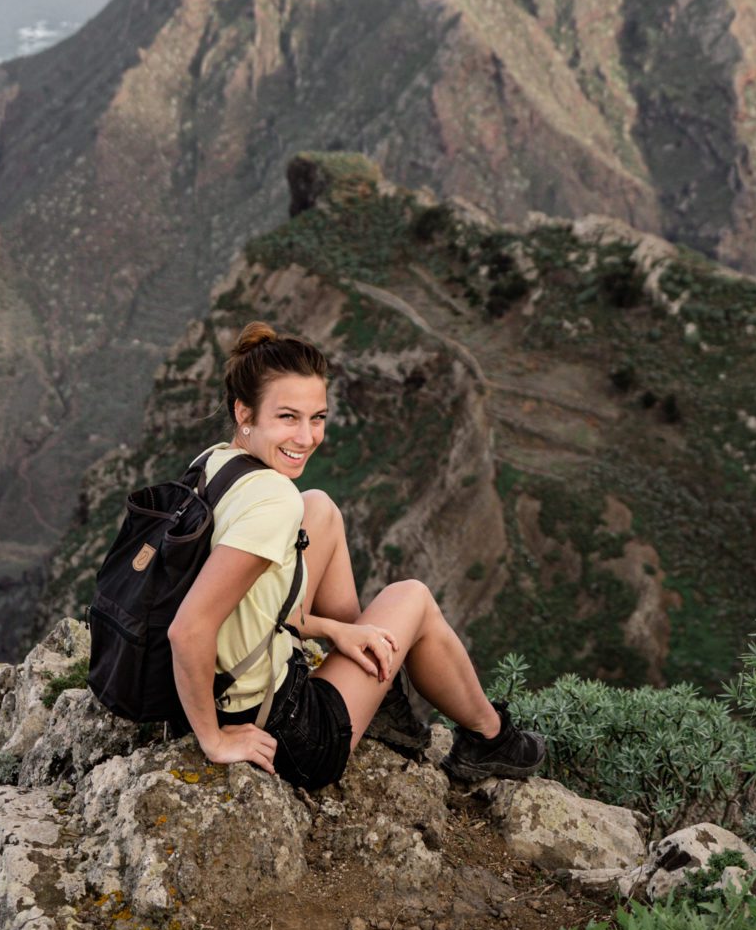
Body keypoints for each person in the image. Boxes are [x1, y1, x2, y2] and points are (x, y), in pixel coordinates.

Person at [167, 320, 548, 794]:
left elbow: (245, 605)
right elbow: (188, 630)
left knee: (320, 508)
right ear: (246, 412)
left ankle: (377, 691)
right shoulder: (272, 502)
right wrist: (213, 740)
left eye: (318, 417)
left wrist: (333, 629)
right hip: (287, 732)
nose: (307, 437)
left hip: (226, 682)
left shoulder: (213, 463)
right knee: (412, 597)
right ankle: (491, 739)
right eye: (288, 417)